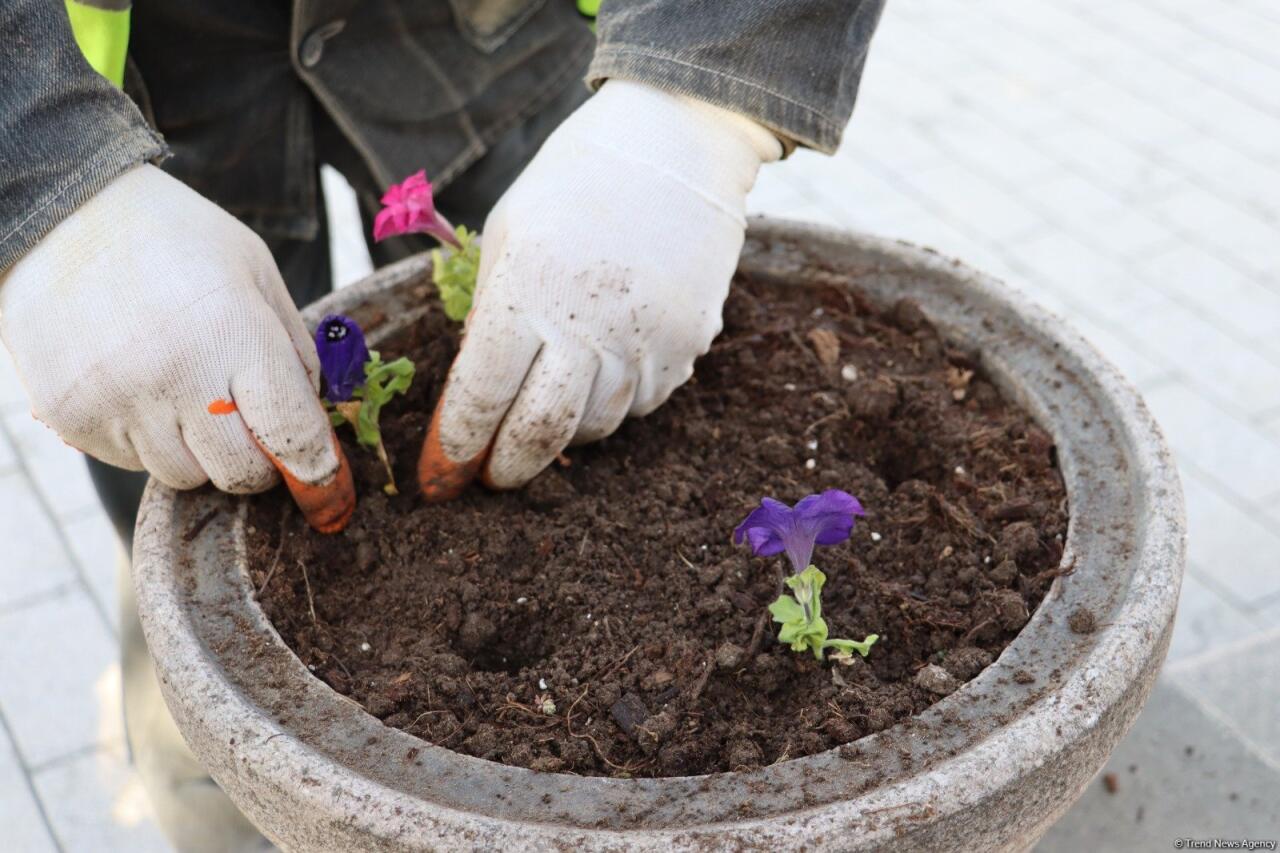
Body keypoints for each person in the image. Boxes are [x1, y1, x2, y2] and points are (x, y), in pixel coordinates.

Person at [0, 0, 884, 848]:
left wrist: (696, 105)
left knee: (579, 308)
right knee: (194, 512)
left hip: (493, 32)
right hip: (134, 74)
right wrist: (46, 182)